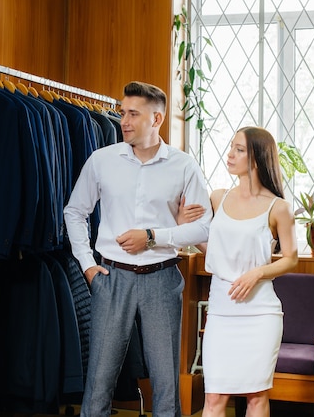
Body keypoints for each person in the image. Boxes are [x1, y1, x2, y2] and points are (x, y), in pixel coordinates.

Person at [63, 81, 212, 417]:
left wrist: (152, 236)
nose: (124, 121)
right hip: (110, 278)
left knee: (165, 383)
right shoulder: (101, 160)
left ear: (156, 119)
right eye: (122, 113)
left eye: (133, 113)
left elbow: (204, 227)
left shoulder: (184, 166)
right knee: (99, 381)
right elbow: (74, 212)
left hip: (162, 280)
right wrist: (87, 265)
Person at [180, 126, 298, 417]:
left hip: (260, 313)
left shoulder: (279, 208)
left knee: (256, 396)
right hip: (221, 311)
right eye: (231, 147)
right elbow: (215, 250)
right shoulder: (218, 198)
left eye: (239, 149)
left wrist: (257, 273)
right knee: (214, 398)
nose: (229, 154)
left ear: (257, 158)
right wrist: (184, 225)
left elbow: (292, 259)